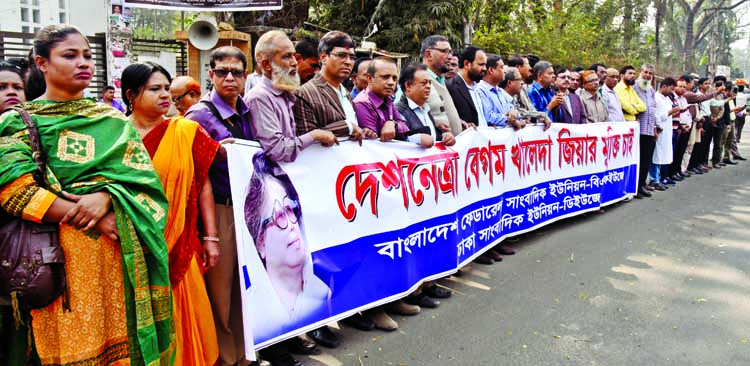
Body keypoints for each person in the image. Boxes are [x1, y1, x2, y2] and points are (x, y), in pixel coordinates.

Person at [0, 24, 174, 365]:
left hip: (118, 263)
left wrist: (107, 199)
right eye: (70, 55)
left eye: (87, 55)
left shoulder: (114, 122)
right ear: (41, 63)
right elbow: (14, 192)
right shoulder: (16, 123)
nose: (84, 63)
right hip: (54, 264)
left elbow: (146, 186)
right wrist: (94, 218)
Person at [122, 61, 221, 366]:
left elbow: (201, 184)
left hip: (180, 243)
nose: (166, 95)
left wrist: (211, 236)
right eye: (155, 89)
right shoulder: (114, 135)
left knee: (189, 317)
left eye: (167, 88)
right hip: (129, 246)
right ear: (131, 95)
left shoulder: (186, 131)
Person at [292, 30, 368, 349]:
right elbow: (305, 135)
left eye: (351, 56)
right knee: (322, 254)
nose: (348, 61)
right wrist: (347, 128)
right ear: (323, 57)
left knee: (351, 247)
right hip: (320, 186)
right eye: (341, 55)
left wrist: (359, 130)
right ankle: (319, 322)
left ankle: (351, 308)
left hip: (349, 186)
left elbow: (352, 133)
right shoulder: (307, 93)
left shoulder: (345, 92)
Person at [184, 45, 255, 366]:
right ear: (210, 75)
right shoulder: (198, 115)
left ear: (245, 76)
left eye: (237, 72)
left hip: (248, 208)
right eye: (222, 72)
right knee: (220, 292)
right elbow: (191, 169)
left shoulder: (247, 110)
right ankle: (224, 358)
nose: (230, 78)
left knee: (245, 288)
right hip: (220, 211)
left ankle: (244, 353)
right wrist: (213, 151)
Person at [244, 152, 331, 342]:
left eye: (291, 209)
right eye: (278, 217)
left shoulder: (324, 293)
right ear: (260, 243)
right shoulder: (254, 312)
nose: (292, 224)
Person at [353, 57, 433, 148]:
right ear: (369, 78)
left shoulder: (388, 100)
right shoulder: (362, 104)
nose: (391, 82)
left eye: (394, 78)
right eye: (385, 77)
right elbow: (373, 145)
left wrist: (393, 124)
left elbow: (405, 127)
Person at [420, 35, 462, 136]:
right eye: (444, 51)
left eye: (450, 52)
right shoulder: (417, 81)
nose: (450, 56)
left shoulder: (441, 80)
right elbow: (404, 113)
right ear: (428, 54)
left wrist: (458, 122)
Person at [446, 46, 488, 128]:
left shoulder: (478, 88)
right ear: (467, 64)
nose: (484, 69)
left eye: (485, 65)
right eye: (481, 64)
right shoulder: (450, 87)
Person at [633, 64, 658, 196]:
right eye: (646, 72)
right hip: (638, 129)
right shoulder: (634, 86)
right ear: (640, 72)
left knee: (646, 159)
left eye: (650, 73)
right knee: (638, 158)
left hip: (649, 129)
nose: (648, 75)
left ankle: (642, 184)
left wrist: (654, 128)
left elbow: (653, 110)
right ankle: (636, 186)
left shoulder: (651, 90)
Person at [652, 77, 679, 188]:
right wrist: (671, 112)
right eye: (671, 89)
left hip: (668, 130)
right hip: (660, 130)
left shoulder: (667, 99)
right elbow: (657, 117)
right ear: (664, 87)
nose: (671, 92)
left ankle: (660, 178)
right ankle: (655, 179)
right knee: (656, 156)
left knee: (662, 155)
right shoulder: (656, 98)